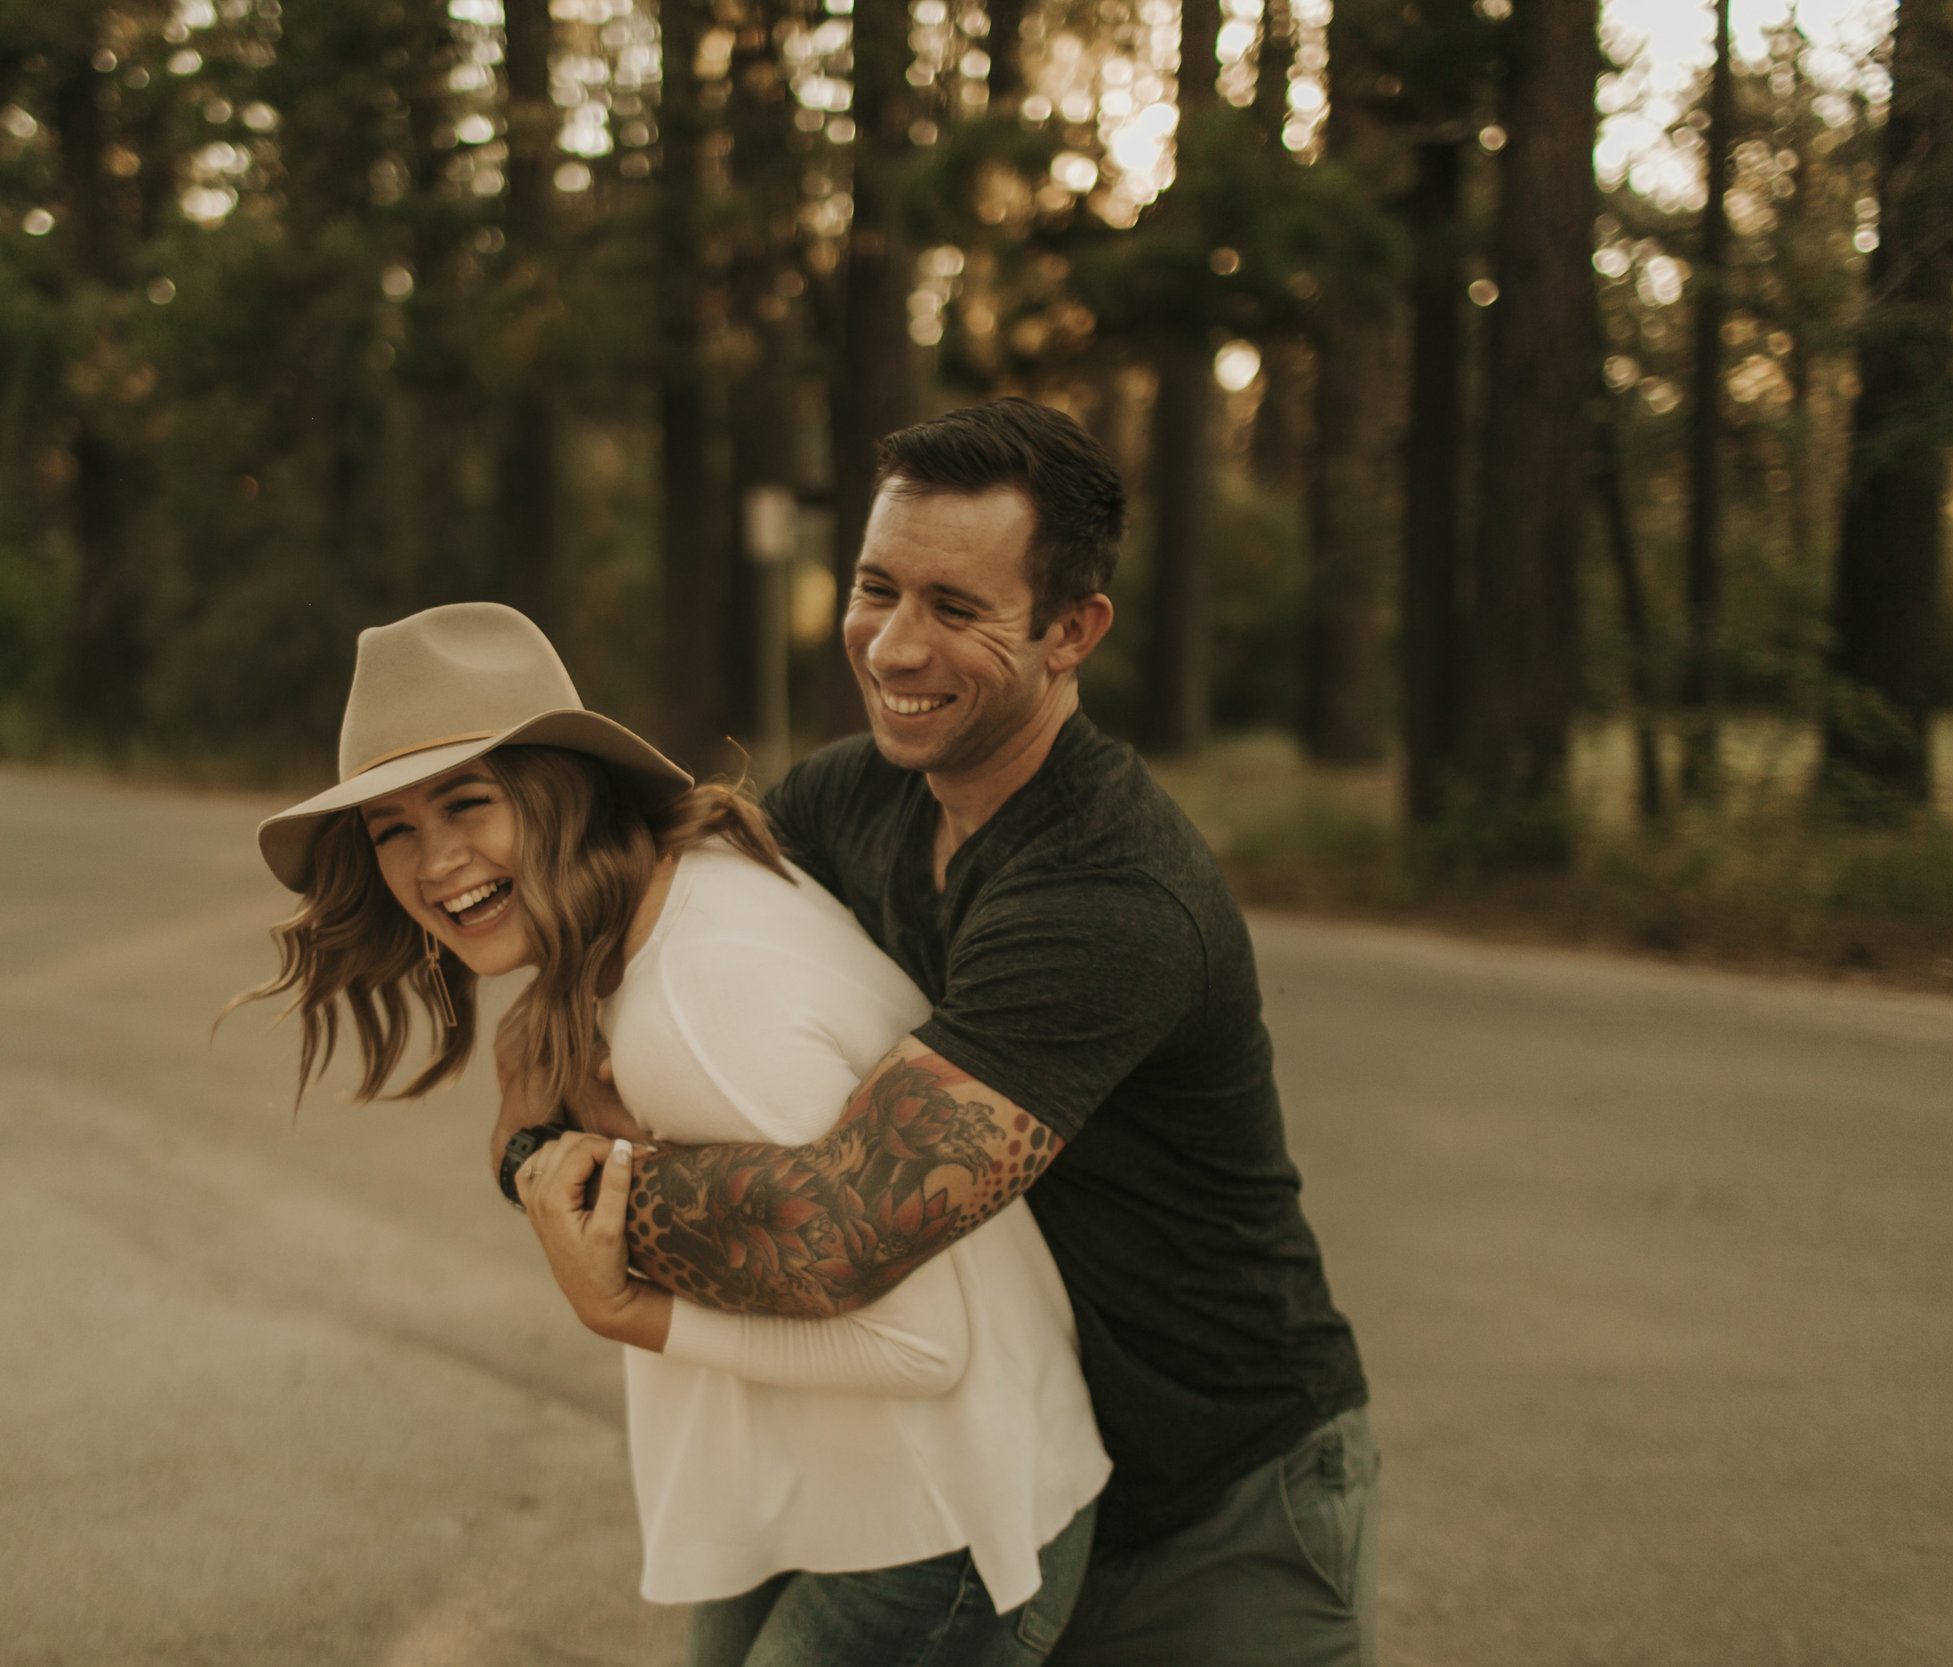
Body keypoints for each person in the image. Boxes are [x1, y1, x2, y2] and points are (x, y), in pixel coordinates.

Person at [518, 397, 1377, 1667]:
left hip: (1214, 1487)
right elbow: (633, 946)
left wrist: (573, 1194)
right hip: (1006, 1442)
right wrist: (541, 1082)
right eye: (877, 588)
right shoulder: (840, 797)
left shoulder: (1105, 895)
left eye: (957, 608)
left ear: (1071, 630)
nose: (894, 646)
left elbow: (842, 1223)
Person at [245, 601, 1111, 1666]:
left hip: (937, 1530)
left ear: (560, 791)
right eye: (393, 829)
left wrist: (631, 1310)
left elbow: (923, 1343)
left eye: (468, 802)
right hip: (839, 1492)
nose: (433, 862)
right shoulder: (660, 910)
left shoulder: (691, 1000)